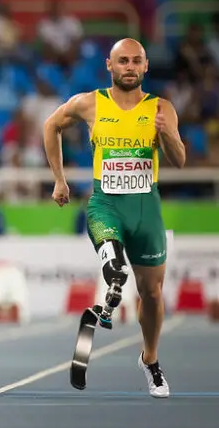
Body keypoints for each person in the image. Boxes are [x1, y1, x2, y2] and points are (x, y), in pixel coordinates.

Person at [43, 38, 186, 398]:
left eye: (136, 61)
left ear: (146, 66)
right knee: (115, 266)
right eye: (123, 60)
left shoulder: (161, 108)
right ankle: (110, 286)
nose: (129, 67)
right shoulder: (90, 103)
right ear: (109, 65)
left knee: (151, 293)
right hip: (106, 204)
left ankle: (150, 360)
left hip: (146, 209)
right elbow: (51, 125)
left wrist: (166, 133)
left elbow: (180, 159)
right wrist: (59, 179)